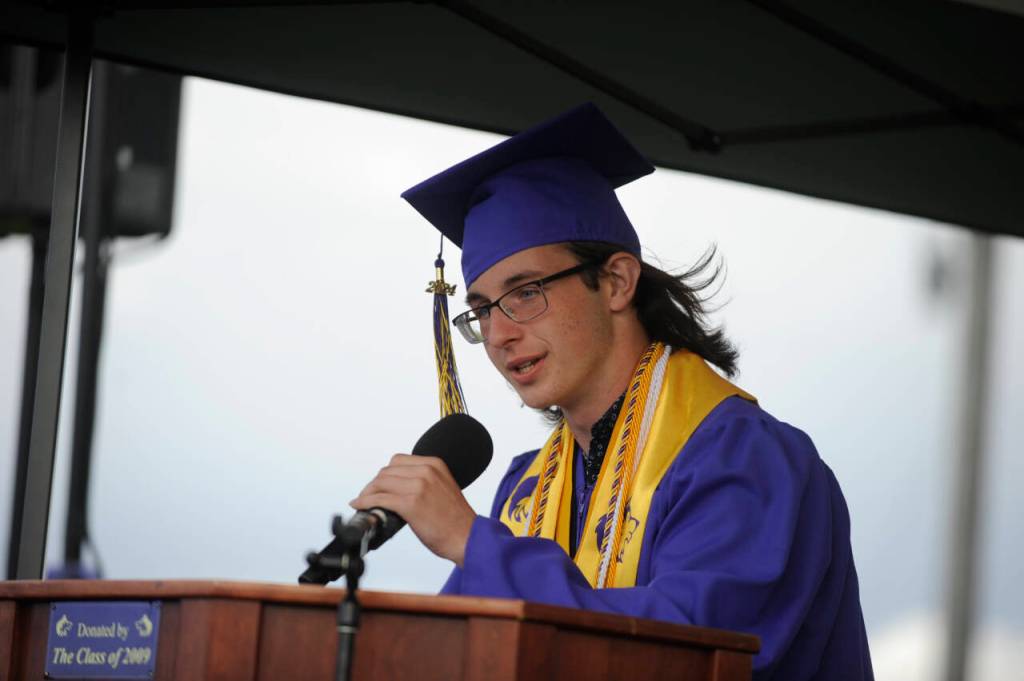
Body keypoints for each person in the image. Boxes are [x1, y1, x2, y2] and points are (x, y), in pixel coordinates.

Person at [349, 103, 873, 680]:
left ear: (618, 281)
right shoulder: (526, 489)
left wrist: (473, 544)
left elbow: (689, 649)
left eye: (525, 293)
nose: (498, 335)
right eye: (482, 309)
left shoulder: (746, 459)